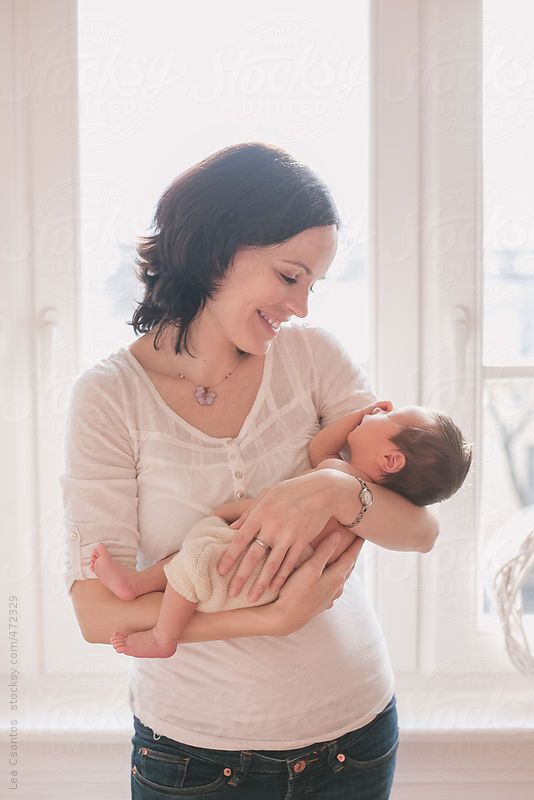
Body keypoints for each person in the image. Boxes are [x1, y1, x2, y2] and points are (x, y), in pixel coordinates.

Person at [62, 142, 440, 800]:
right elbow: (98, 615)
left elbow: (417, 530)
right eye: (290, 276)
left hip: (353, 735)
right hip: (195, 757)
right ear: (219, 249)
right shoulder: (109, 398)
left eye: (313, 285)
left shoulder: (313, 359)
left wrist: (330, 486)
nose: (301, 306)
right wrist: (270, 619)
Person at [88, 400, 471, 659]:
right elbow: (320, 447)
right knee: (190, 554)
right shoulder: (358, 492)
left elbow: (425, 532)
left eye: (388, 417)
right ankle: (137, 585)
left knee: (193, 570)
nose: (377, 411)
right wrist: (360, 416)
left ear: (391, 459)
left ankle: (164, 637)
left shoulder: (346, 481)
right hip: (257, 553)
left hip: (263, 567)